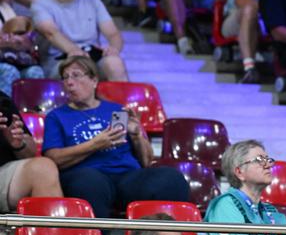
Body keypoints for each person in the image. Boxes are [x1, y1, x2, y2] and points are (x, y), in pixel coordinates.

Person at [42, 57, 189, 219]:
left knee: (171, 178)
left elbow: (146, 162)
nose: (69, 82)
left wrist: (137, 135)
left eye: (76, 75)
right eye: (65, 77)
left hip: (126, 177)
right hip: (88, 176)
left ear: (94, 80)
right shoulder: (56, 117)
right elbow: (53, 159)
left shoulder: (117, 110)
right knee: (89, 181)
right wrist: (94, 144)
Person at [32, 0, 128, 81]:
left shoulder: (92, 0)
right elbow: (51, 33)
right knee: (77, 66)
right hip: (60, 62)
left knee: (114, 63)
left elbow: (113, 34)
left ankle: (118, 102)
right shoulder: (40, 4)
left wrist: (114, 49)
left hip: (92, 58)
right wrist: (74, 50)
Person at [0, 92, 62, 214]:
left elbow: (30, 153)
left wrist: (19, 144)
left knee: (43, 168)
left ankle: (50, 233)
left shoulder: (3, 100)